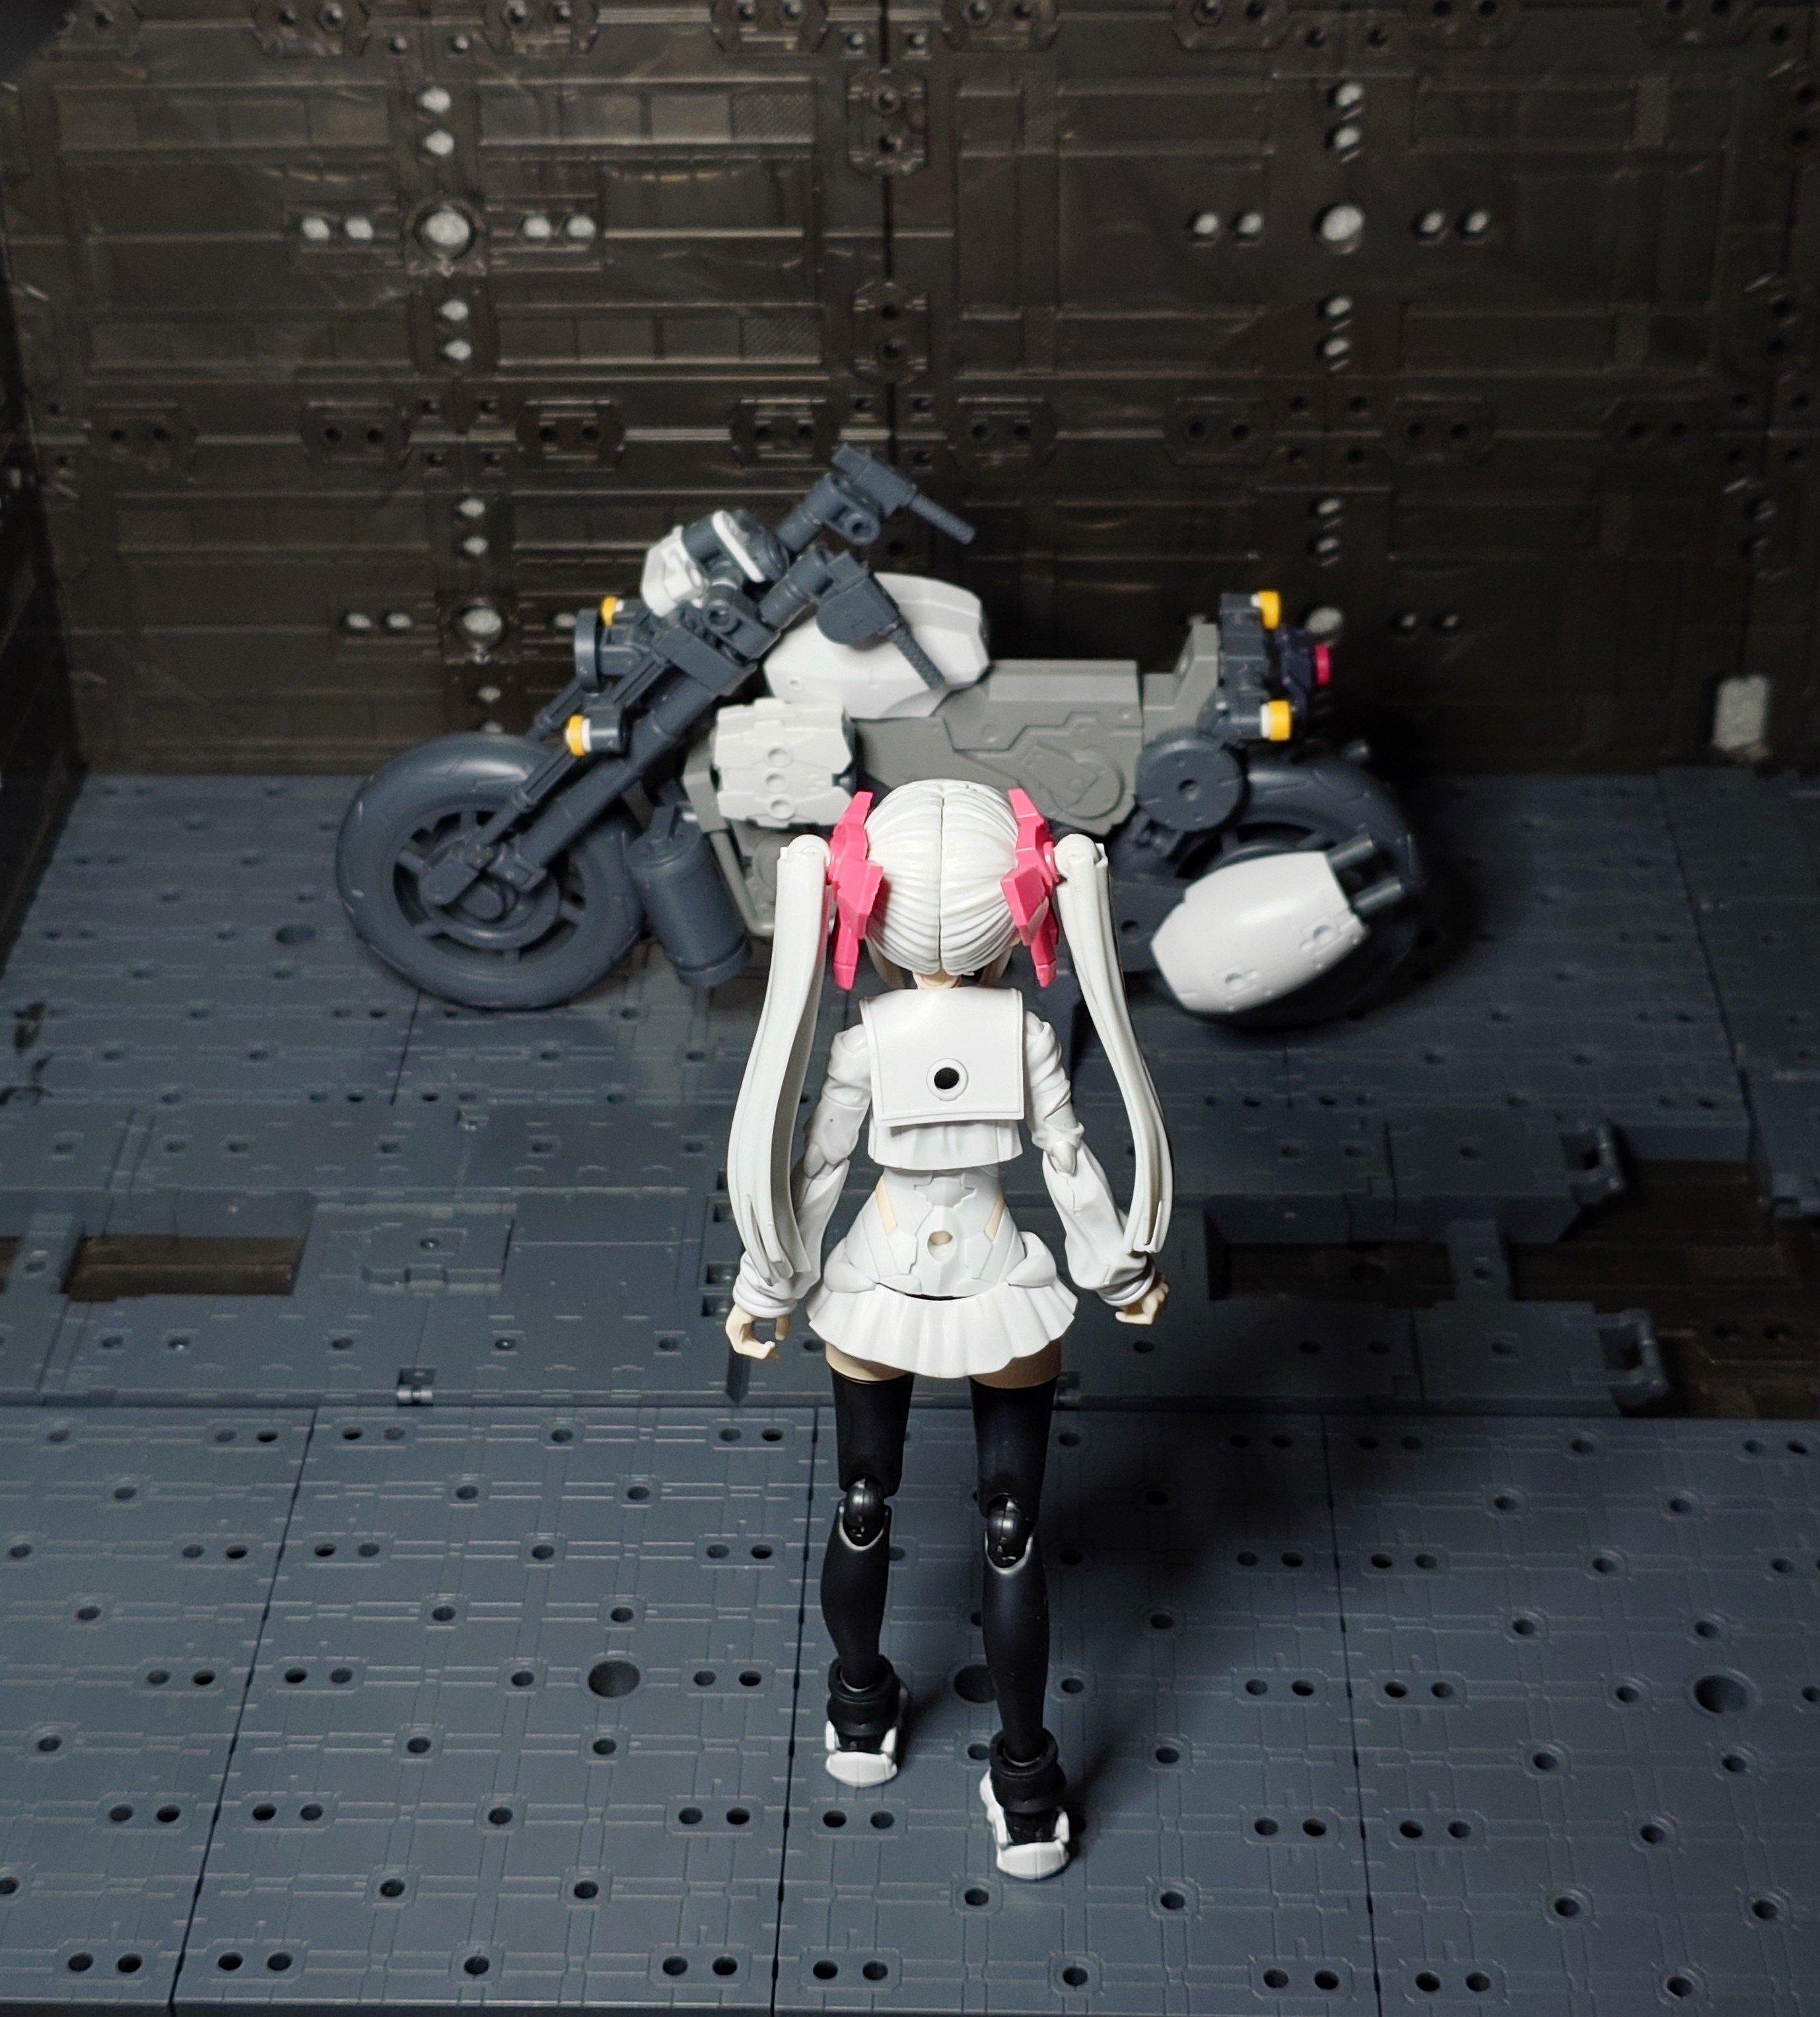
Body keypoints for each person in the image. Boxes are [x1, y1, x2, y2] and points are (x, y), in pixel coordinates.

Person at [722, 778, 1172, 1879]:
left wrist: (766, 1285)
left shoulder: (865, 1038)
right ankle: (1026, 1788)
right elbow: (1069, 1165)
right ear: (1016, 923)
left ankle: (860, 1710)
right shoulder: (1027, 1033)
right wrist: (1118, 1271)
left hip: (877, 1277)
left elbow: (815, 1170)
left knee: (862, 1499)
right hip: (999, 1278)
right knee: (1012, 1525)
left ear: (863, 922)